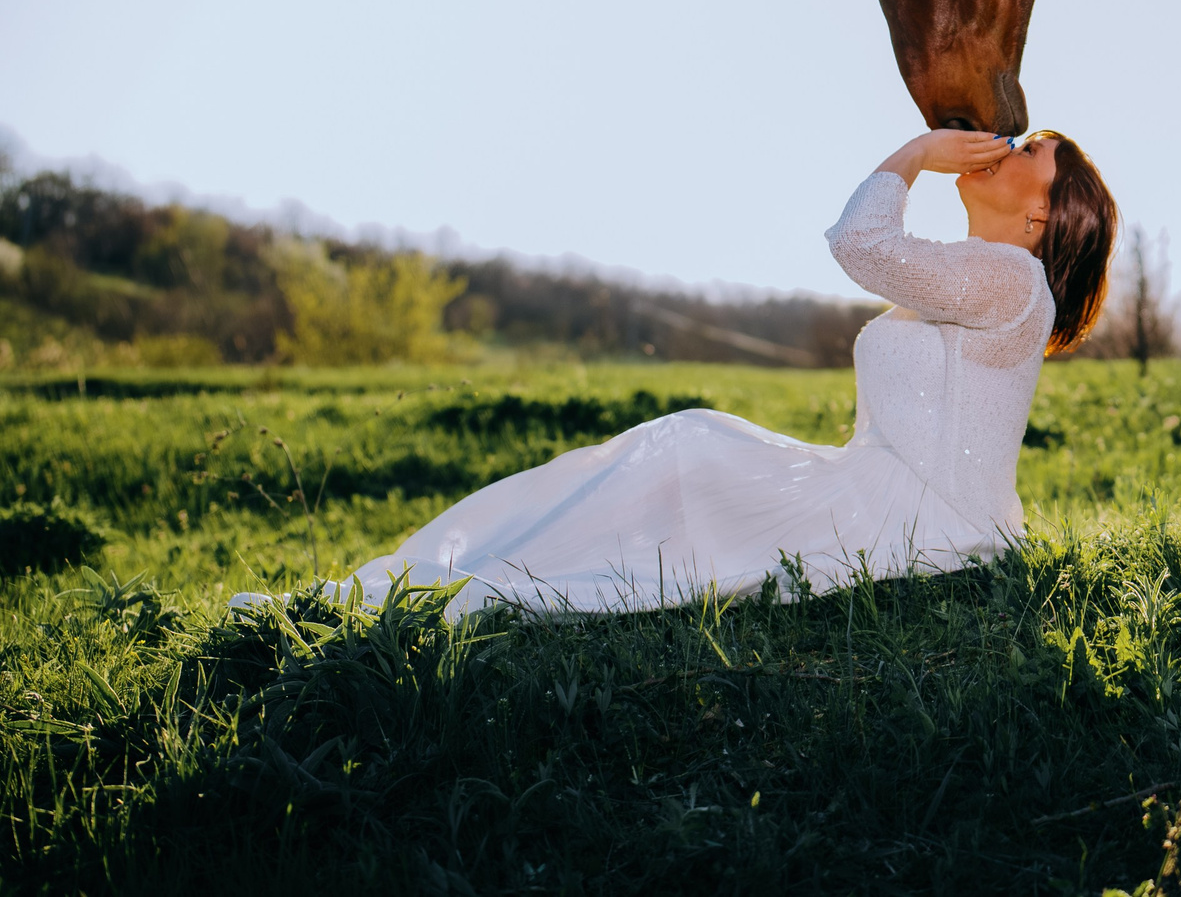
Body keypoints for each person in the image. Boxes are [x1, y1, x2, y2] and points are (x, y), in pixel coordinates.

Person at [236, 129, 1116, 618]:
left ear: (1041, 209)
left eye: (1031, 146)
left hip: (912, 524)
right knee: (684, 446)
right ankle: (443, 571)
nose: (1004, 141)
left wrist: (914, 155)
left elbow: (861, 244)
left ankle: (460, 579)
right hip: (889, 504)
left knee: (686, 447)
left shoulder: (1010, 278)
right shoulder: (984, 278)